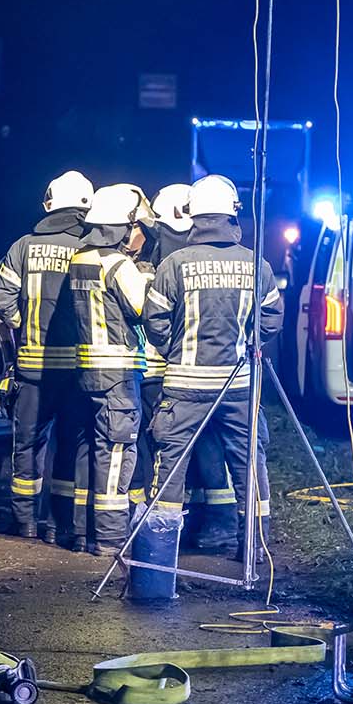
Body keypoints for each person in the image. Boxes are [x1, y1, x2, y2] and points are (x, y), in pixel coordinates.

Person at [136, 174, 285, 563]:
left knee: (170, 466)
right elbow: (271, 318)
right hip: (238, 384)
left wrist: (175, 350)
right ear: (232, 214)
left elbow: (154, 322)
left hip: (184, 386)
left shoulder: (173, 264)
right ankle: (253, 551)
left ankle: (159, 557)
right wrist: (249, 344)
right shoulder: (257, 264)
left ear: (194, 216)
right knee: (249, 465)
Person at [0, 170, 92, 541]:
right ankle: (63, 526)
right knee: (73, 445)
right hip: (80, 369)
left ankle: (26, 522)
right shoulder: (90, 247)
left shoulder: (23, 246)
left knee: (28, 444)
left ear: (49, 204)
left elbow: (1, 294)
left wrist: (21, 321)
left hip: (33, 367)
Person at [65, 184, 155, 555]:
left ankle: (83, 531)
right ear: (122, 226)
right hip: (118, 372)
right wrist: (148, 279)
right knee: (117, 453)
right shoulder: (118, 265)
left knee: (89, 450)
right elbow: (142, 308)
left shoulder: (79, 259)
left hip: (87, 371)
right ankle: (111, 537)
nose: (140, 235)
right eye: (137, 227)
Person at [131, 184, 192, 519]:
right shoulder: (193, 256)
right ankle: (189, 515)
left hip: (151, 369)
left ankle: (148, 513)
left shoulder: (155, 263)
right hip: (185, 371)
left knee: (149, 442)